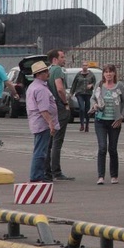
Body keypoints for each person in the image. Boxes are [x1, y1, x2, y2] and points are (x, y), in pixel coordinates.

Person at [89, 64, 124, 185]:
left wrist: (122, 117)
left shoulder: (120, 86)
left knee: (112, 149)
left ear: (114, 74)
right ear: (103, 74)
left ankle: (114, 175)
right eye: (106, 72)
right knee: (102, 148)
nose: (108, 74)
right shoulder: (99, 85)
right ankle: (101, 176)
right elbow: (92, 99)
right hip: (100, 121)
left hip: (114, 121)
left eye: (110, 72)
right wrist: (94, 105)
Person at [25, 61, 59, 183]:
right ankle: (36, 176)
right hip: (42, 123)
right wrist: (51, 123)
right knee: (40, 151)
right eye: (45, 71)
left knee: (39, 149)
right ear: (39, 74)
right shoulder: (41, 89)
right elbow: (44, 109)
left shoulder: (33, 86)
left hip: (36, 122)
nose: (48, 73)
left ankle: (38, 174)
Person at [44, 49, 74, 182]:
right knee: (57, 141)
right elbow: (60, 88)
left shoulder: (48, 70)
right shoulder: (57, 70)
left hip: (50, 107)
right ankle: (57, 171)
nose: (64, 59)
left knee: (49, 141)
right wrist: (65, 102)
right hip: (59, 108)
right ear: (55, 59)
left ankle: (47, 171)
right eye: (62, 57)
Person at [70, 63, 96, 132]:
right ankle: (82, 124)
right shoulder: (78, 74)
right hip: (79, 93)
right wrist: (71, 93)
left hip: (88, 93)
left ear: (88, 66)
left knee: (87, 109)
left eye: (86, 65)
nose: (85, 67)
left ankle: (87, 125)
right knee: (82, 108)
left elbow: (95, 82)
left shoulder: (91, 74)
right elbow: (74, 84)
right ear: (81, 67)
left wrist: (91, 85)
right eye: (83, 65)